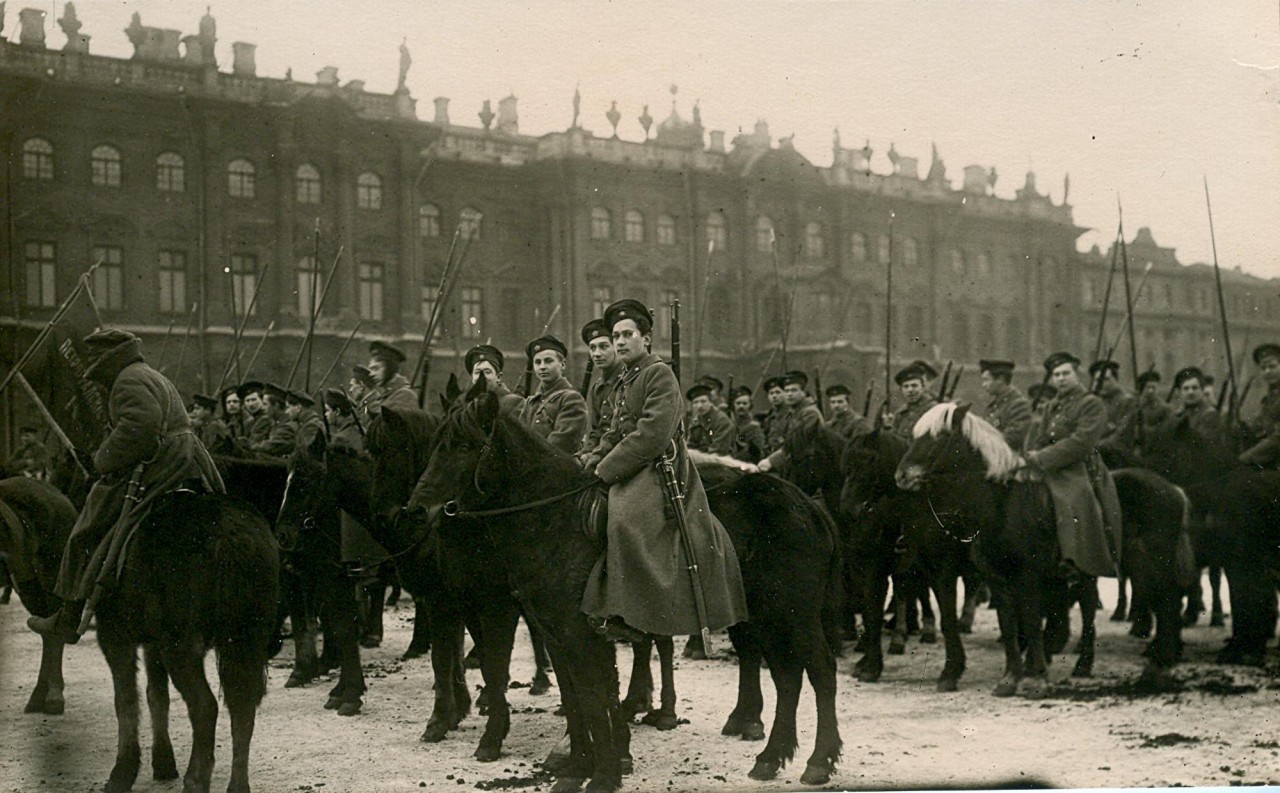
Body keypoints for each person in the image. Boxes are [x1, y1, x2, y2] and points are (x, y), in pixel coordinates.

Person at [28, 329, 224, 644]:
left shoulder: (127, 381)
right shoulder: (148, 374)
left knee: (92, 517)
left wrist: (100, 460)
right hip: (186, 457)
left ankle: (69, 613)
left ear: (108, 360)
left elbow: (140, 427)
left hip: (162, 460)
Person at [581, 298, 747, 640]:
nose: (621, 342)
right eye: (616, 336)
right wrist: (592, 460)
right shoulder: (626, 380)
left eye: (628, 334)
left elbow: (651, 434)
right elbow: (614, 430)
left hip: (659, 468)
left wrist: (607, 469)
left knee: (626, 517)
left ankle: (631, 612)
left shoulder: (659, 374)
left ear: (646, 338)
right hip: (631, 465)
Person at [1021, 351, 1122, 578]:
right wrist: (1033, 454)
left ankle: (1072, 559)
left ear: (1077, 375)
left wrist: (1042, 457)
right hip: (1048, 465)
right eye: (1056, 374)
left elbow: (1081, 442)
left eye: (1066, 373)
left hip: (1078, 468)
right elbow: (1040, 436)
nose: (1060, 378)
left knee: (1069, 499)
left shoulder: (1090, 404)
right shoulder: (1050, 407)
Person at [519, 335, 588, 455]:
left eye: (548, 361)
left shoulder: (571, 399)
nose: (542, 367)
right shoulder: (530, 403)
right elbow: (518, 437)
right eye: (537, 362)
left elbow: (560, 443)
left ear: (563, 364)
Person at [758, 370, 824, 473]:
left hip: (808, 468)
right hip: (793, 466)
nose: (789, 394)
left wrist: (771, 461)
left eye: (794, 390)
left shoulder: (810, 413)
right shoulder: (793, 412)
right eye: (786, 391)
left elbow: (798, 445)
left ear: (804, 392)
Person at [578, 319, 623, 461]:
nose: (596, 354)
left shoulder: (628, 380)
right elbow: (595, 431)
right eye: (592, 348)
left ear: (616, 347)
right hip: (601, 454)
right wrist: (583, 454)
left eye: (604, 347)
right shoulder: (597, 388)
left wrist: (594, 456)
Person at [1239, 343, 1280, 467]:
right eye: (1263, 368)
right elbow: (1256, 426)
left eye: (1272, 366)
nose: (1267, 371)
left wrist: (1247, 457)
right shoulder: (1268, 399)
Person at [978, 359, 1032, 452]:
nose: (983, 385)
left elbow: (1012, 439)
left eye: (986, 380)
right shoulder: (993, 406)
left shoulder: (1019, 404)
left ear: (1001, 379)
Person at [464, 344, 525, 414]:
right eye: (477, 372)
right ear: (472, 377)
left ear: (498, 377)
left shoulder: (514, 402)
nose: (482, 377)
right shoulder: (466, 404)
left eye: (487, 372)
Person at [1170, 366, 1226, 441]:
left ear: (1202, 390)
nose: (1190, 392)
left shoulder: (1210, 415)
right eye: (1186, 388)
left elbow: (1205, 444)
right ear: (1179, 392)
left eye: (1195, 388)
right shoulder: (1178, 415)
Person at [243, 384, 296, 459]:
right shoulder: (276, 423)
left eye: (265, 404)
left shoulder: (287, 426)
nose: (262, 407)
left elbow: (271, 446)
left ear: (276, 405)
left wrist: (248, 446)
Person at [366, 341, 418, 417]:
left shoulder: (405, 396)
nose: (371, 374)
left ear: (390, 368)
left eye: (376, 368)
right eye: (371, 369)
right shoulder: (386, 395)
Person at [886, 362, 938, 440]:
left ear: (923, 387)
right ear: (901, 390)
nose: (910, 390)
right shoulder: (900, 414)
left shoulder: (934, 410)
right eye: (906, 386)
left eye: (914, 385)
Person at [1088, 359, 1136, 441]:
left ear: (1116, 379)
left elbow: (1121, 435)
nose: (1101, 383)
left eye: (1106, 379)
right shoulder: (1093, 400)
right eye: (1097, 380)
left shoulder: (1127, 401)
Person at [686, 383, 736, 457]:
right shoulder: (695, 421)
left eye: (703, 401)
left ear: (711, 402)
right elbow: (690, 446)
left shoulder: (722, 420)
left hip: (722, 461)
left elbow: (718, 450)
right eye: (695, 402)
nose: (699, 406)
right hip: (702, 460)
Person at [728, 386, 768, 463]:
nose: (741, 406)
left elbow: (760, 452)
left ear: (750, 406)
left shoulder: (754, 427)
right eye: (738, 403)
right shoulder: (731, 424)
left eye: (744, 403)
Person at [323, 388, 365, 453]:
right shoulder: (360, 428)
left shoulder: (340, 439)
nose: (325, 414)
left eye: (327, 410)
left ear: (337, 411)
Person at [758, 376, 786, 451]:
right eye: (771, 393)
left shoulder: (791, 413)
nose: (774, 396)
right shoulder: (768, 416)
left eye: (778, 392)